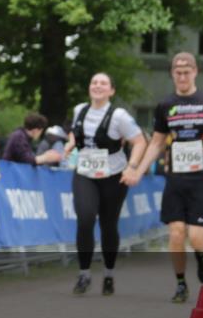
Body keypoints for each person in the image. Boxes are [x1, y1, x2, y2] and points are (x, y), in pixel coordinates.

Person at [133, 52, 203, 303]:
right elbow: (157, 142)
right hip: (176, 177)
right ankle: (181, 283)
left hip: (202, 177)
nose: (182, 76)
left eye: (186, 71)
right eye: (177, 72)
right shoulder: (165, 105)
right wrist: (138, 169)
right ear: (172, 74)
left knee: (197, 236)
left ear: (195, 72)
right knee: (177, 233)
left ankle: (202, 260)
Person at [61, 72, 146, 296]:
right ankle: (84, 274)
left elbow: (139, 141)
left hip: (113, 175)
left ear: (111, 91)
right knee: (86, 218)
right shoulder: (80, 109)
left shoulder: (120, 116)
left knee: (109, 225)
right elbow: (76, 132)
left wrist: (132, 166)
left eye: (103, 83)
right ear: (89, 87)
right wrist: (71, 144)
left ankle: (108, 274)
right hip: (85, 173)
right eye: (94, 82)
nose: (98, 86)